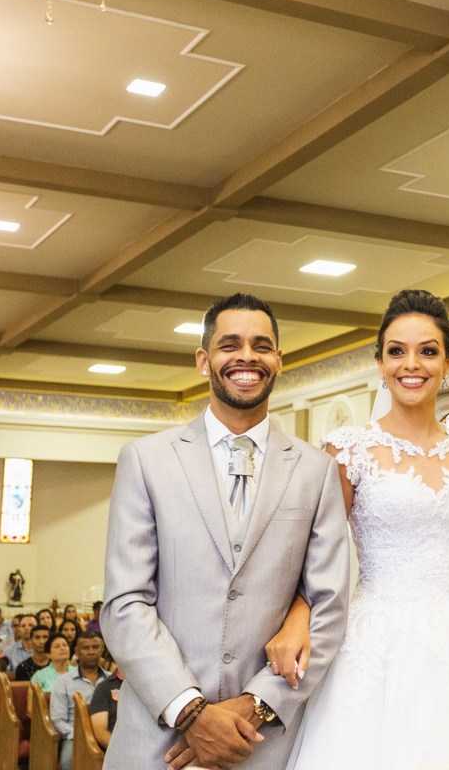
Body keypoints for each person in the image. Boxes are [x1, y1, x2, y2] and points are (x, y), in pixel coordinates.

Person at [287, 289, 449, 770]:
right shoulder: (349, 450)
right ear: (380, 363)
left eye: (428, 351)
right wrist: (297, 619)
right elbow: (316, 558)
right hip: (377, 647)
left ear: (448, 363)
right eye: (397, 351)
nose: (412, 364)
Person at [102, 293, 350, 770]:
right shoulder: (147, 460)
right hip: (159, 740)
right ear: (204, 360)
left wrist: (255, 705)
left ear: (279, 360)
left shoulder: (315, 470)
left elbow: (329, 604)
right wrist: (191, 712)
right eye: (230, 345)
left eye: (262, 346)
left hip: (263, 743)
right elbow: (125, 603)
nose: (247, 357)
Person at [50, 632, 110, 770]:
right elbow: (58, 719)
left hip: (108, 734)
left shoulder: (111, 679)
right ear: (76, 651)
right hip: (75, 737)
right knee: (68, 761)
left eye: (95, 647)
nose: (91, 652)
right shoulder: (63, 682)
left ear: (102, 649)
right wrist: (80, 735)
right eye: (86, 648)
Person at [89, 666, 124, 751]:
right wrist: (124, 752)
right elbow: (101, 733)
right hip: (118, 749)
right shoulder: (104, 688)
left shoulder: (148, 687)